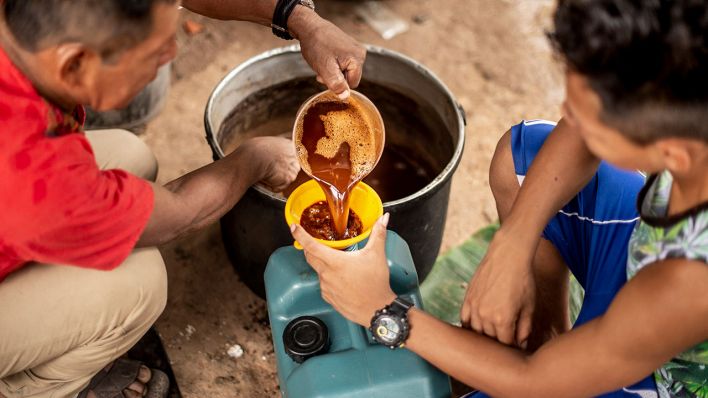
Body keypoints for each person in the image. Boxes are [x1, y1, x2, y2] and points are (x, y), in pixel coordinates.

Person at [290, 0, 708, 396]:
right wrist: (513, 245)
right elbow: (576, 135)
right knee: (522, 159)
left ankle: (562, 354)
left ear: (670, 153)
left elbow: (534, 381)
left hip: (663, 370)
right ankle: (547, 335)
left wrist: (382, 311)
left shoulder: (688, 285)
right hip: (648, 260)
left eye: (584, 114)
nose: (566, 111)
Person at [0, 0, 365, 397]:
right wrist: (254, 159)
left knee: (130, 156)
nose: (172, 52)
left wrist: (299, 18)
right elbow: (177, 214)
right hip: (22, 190)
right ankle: (29, 386)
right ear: (74, 64)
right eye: (154, 49)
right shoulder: (34, 167)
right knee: (140, 285)